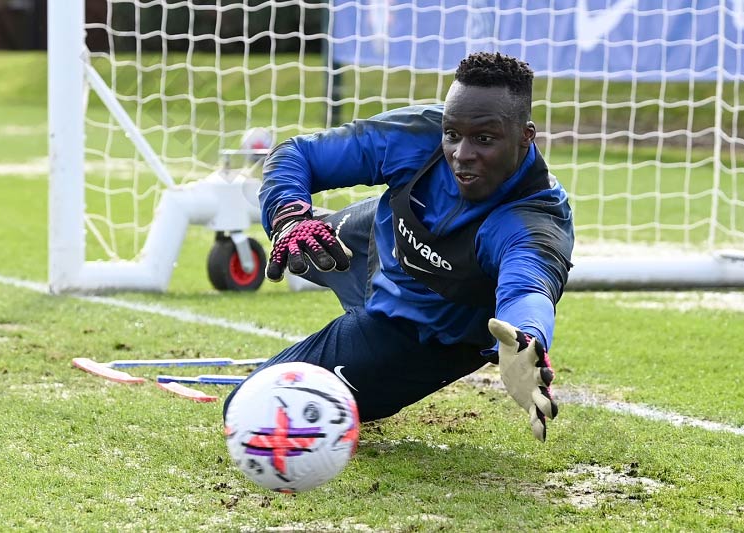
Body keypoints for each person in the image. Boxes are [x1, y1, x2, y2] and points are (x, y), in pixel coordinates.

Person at [224, 52, 574, 442]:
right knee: (306, 243)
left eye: (484, 139)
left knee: (250, 411)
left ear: (526, 136)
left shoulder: (533, 219)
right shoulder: (419, 134)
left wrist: (525, 340)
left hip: (414, 333)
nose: (461, 154)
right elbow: (298, 154)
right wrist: (289, 218)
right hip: (369, 243)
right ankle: (312, 226)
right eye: (452, 134)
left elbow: (527, 289)